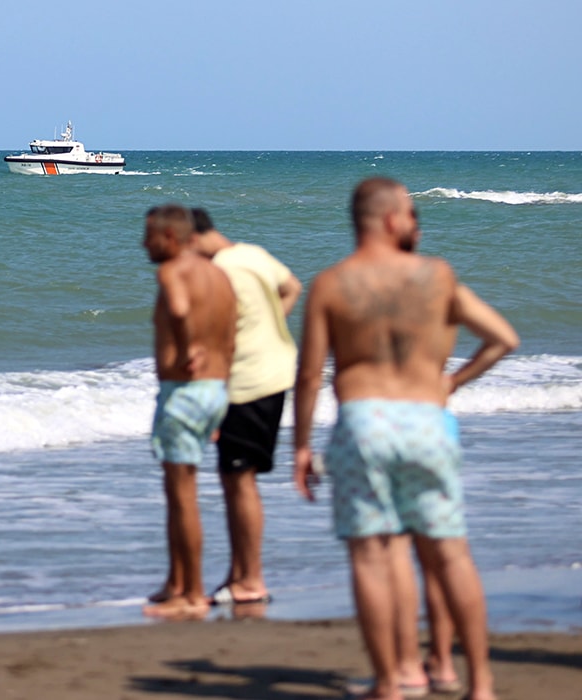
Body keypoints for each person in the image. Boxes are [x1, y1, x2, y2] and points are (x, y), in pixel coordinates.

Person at [293, 178, 517, 700]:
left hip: (364, 421)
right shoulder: (437, 276)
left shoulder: (330, 284)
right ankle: (480, 686)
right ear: (394, 219)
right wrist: (452, 383)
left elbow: (308, 376)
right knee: (451, 555)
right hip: (426, 419)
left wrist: (301, 447)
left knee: (373, 556)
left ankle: (391, 684)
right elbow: (503, 338)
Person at [169, 207, 302, 608]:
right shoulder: (252, 254)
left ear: (193, 239)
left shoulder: (221, 270)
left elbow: (217, 336)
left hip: (247, 383)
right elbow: (293, 287)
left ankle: (251, 580)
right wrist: (268, 327)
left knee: (240, 479)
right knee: (235, 478)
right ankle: (239, 575)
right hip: (274, 373)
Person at [140, 205, 238, 618]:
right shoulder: (220, 274)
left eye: (149, 236)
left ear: (171, 238)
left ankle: (192, 594)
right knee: (181, 491)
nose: (143, 244)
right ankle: (176, 582)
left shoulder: (172, 271)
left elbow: (179, 310)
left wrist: (185, 348)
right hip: (215, 389)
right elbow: (233, 335)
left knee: (182, 496)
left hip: (184, 390)